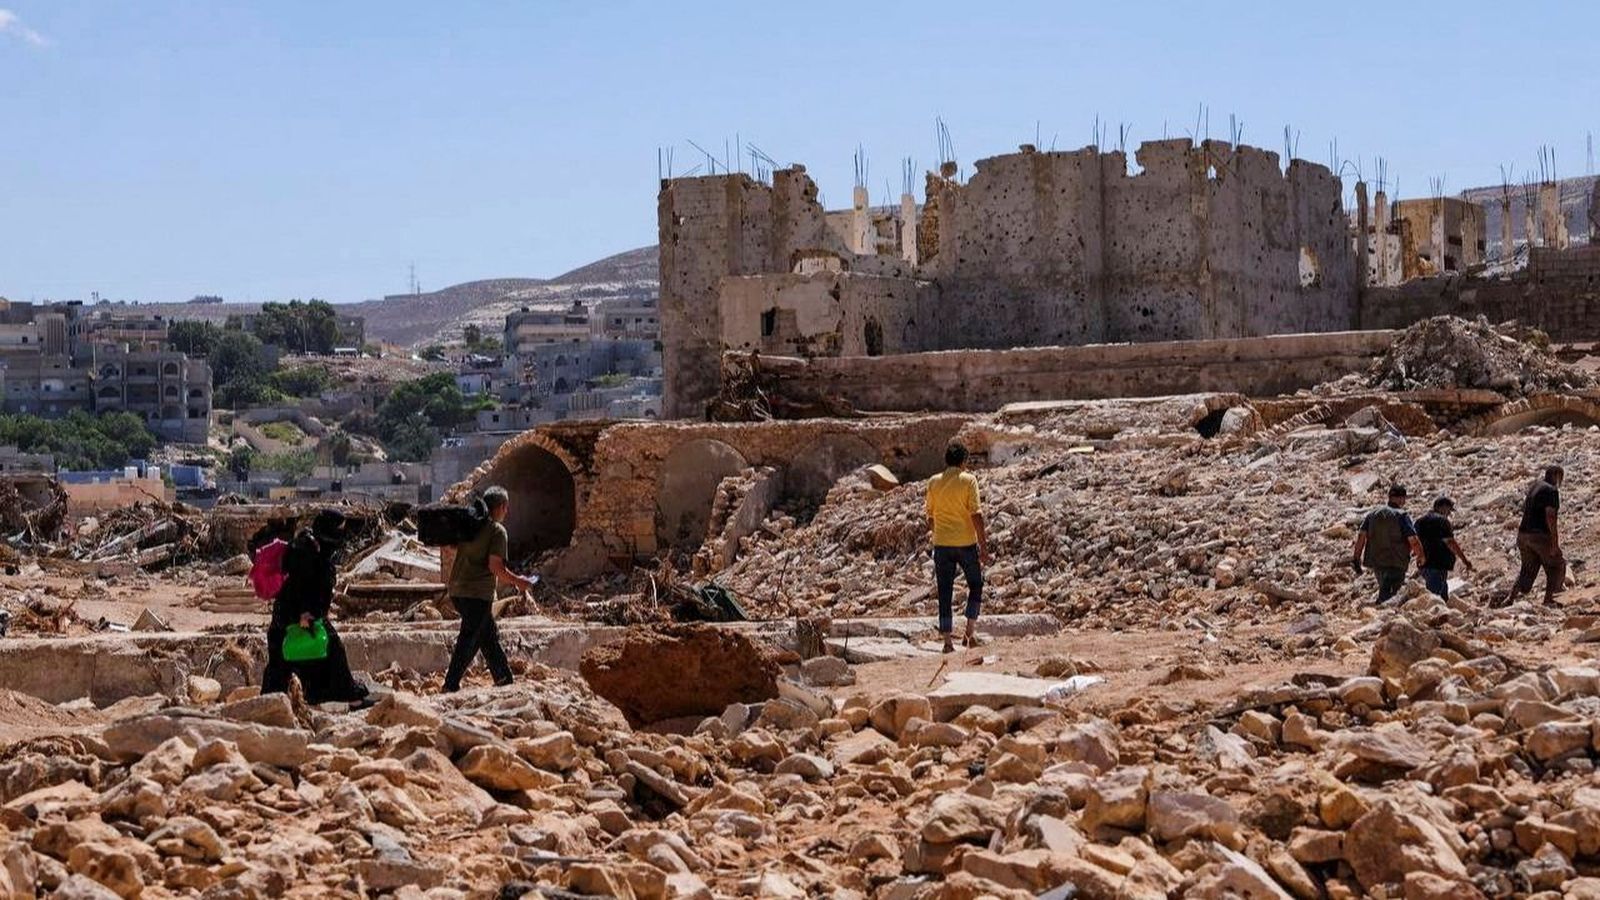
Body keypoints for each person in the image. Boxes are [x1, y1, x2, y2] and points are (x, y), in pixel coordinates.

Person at [261, 509, 371, 706]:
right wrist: (304, 612)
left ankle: (274, 700)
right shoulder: (307, 550)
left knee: (284, 659)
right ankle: (350, 697)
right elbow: (298, 582)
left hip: (292, 613)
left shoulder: (310, 544)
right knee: (330, 650)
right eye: (339, 530)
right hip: (298, 614)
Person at [443, 486, 537, 693]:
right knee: (469, 637)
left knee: (487, 635)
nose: (507, 511)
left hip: (457, 589)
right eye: (506, 507)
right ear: (503, 507)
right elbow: (495, 567)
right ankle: (450, 685)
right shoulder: (497, 531)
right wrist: (518, 581)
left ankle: (503, 678)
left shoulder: (472, 525)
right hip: (477, 593)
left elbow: (451, 547)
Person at [925, 441, 992, 653]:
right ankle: (968, 633)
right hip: (965, 543)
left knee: (945, 591)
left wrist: (939, 533)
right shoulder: (969, 480)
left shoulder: (934, 482)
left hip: (942, 545)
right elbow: (977, 514)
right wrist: (983, 546)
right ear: (964, 461)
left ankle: (947, 642)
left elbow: (929, 516)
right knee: (976, 584)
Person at [1351, 484, 1425, 606]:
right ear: (1400, 498)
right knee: (1389, 594)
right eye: (1403, 498)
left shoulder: (1372, 514)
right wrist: (1421, 556)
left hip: (1377, 561)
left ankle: (1380, 612)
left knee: (1384, 587)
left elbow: (1361, 537)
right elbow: (1413, 539)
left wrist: (1356, 558)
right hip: (1396, 561)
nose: (1403, 501)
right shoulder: (1401, 515)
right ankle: (1383, 615)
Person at [1507, 465, 1566, 605]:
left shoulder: (1535, 487)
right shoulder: (1552, 491)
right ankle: (1550, 600)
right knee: (1556, 565)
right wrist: (1554, 544)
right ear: (1557, 475)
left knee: (1527, 569)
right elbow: (1551, 516)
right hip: (1539, 536)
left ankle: (1510, 598)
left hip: (1523, 534)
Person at [1415, 496, 1474, 602]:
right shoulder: (1442, 521)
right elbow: (1450, 543)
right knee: (1435, 599)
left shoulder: (1420, 521)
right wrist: (1465, 560)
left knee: (1442, 595)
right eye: (1448, 510)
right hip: (1438, 564)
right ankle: (1434, 617)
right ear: (1442, 507)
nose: (1449, 514)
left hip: (1425, 565)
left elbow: (1414, 542)